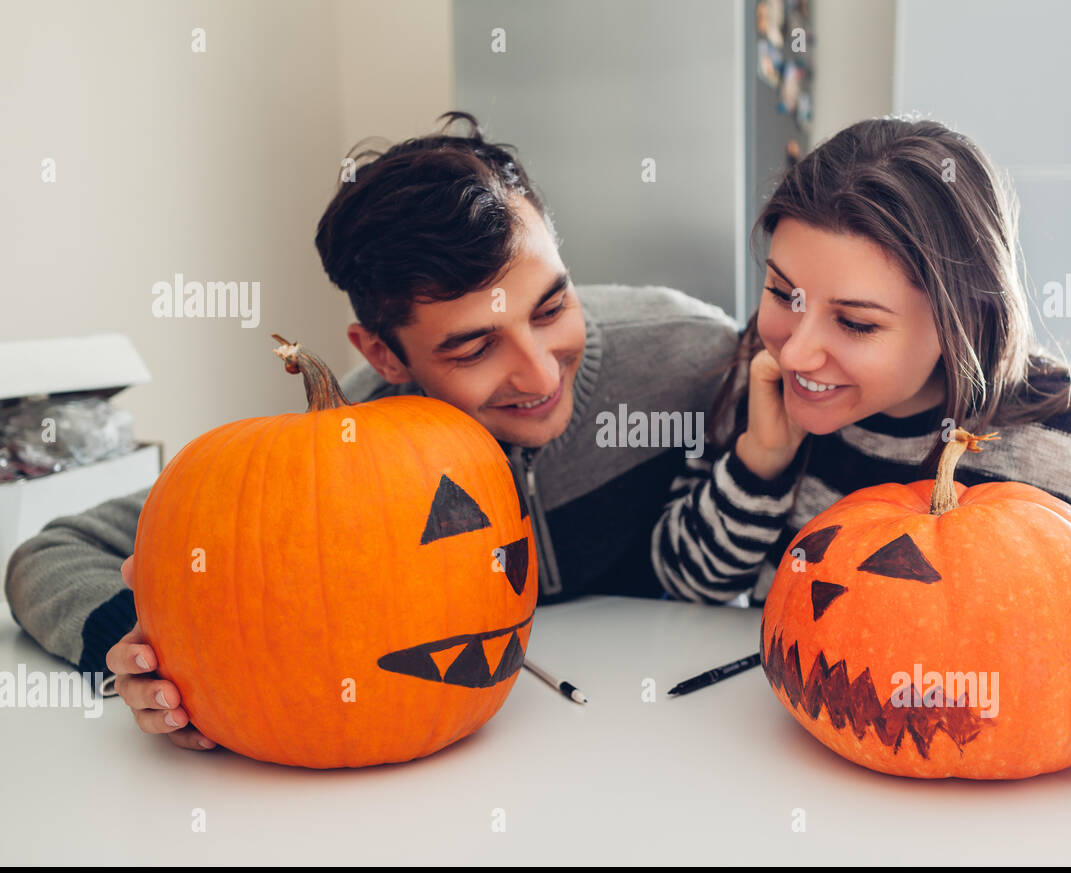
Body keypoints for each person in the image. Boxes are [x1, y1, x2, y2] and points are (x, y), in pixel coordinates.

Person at [3, 112, 736, 751]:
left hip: (671, 730)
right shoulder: (349, 441)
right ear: (384, 355)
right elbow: (54, 553)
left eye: (550, 308)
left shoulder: (693, 356)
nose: (541, 374)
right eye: (475, 347)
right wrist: (143, 652)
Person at [652, 117, 1071, 774]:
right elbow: (688, 584)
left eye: (854, 322)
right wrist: (761, 460)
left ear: (959, 318)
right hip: (804, 779)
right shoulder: (760, 376)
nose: (796, 348)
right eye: (783, 292)